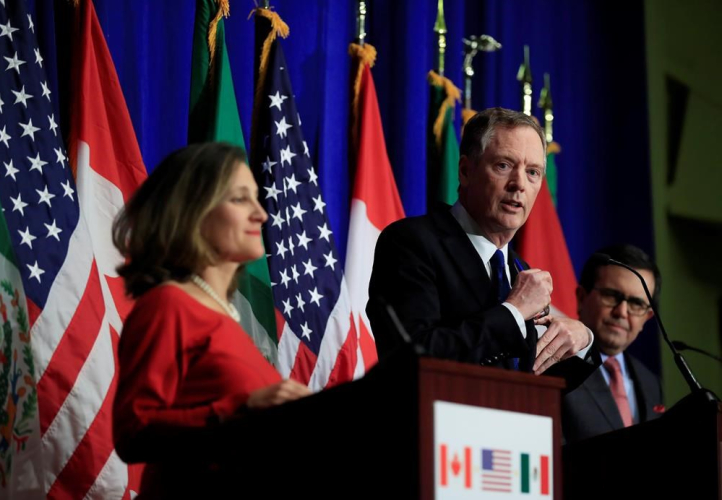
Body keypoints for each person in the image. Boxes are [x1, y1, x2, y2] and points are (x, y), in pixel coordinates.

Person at [111, 143, 310, 497]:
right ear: (192, 212)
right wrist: (244, 407)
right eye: (239, 199)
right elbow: (133, 431)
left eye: (257, 198)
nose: (261, 214)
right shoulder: (168, 305)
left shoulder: (226, 317)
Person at [367, 107, 597, 385]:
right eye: (503, 165)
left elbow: (530, 379)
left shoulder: (518, 270)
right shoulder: (412, 242)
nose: (519, 184)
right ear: (465, 171)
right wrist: (513, 312)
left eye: (533, 172)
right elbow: (413, 359)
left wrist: (584, 341)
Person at [562, 244, 663, 443]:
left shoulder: (651, 383)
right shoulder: (556, 366)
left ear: (648, 316)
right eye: (611, 296)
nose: (622, 312)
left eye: (636, 304)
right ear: (582, 298)